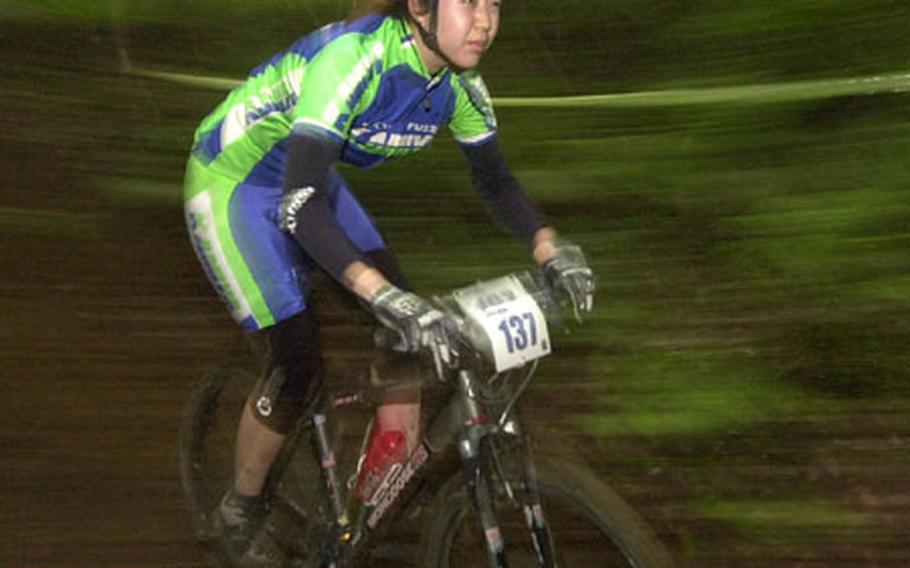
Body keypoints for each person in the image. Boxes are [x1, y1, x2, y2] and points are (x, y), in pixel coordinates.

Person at [183, 0, 594, 562]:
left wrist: (551, 247)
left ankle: (366, 511)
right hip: (235, 183)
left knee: (406, 342)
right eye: (468, 2)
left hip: (310, 183)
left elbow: (496, 184)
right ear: (419, 7)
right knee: (297, 361)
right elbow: (299, 208)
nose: (484, 21)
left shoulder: (461, 84)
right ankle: (240, 506)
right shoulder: (353, 58)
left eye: (494, 3)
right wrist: (379, 293)